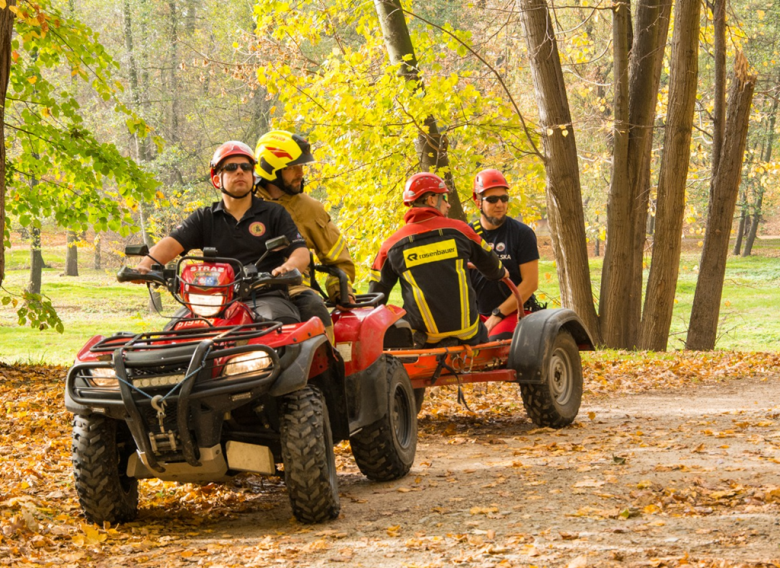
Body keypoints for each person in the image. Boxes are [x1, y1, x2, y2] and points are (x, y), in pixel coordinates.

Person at [134, 140, 309, 324]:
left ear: (253, 175)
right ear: (217, 179)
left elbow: (300, 252)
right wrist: (145, 265)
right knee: (173, 332)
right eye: (231, 167)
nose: (240, 171)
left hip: (266, 297)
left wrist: (288, 268)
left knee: (282, 330)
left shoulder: (275, 213)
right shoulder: (204, 218)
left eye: (246, 167)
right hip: (211, 302)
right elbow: (171, 243)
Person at [369, 172, 508, 347]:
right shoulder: (460, 230)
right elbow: (494, 268)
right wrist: (502, 271)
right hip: (468, 335)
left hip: (424, 340)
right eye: (445, 198)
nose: (449, 205)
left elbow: (375, 297)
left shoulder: (391, 245)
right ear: (432, 200)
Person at [253, 130, 356, 343]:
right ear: (270, 170)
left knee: (315, 310)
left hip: (295, 291)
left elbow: (338, 256)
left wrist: (340, 291)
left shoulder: (310, 209)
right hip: (247, 289)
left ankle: (330, 368)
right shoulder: (245, 204)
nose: (300, 173)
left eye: (301, 166)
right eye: (292, 168)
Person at [469, 168, 541, 340]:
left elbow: (530, 283)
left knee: (493, 348)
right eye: (492, 199)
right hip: (476, 316)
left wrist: (496, 315)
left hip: (514, 313)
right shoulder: (467, 235)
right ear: (477, 201)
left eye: (504, 198)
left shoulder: (521, 234)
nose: (500, 204)